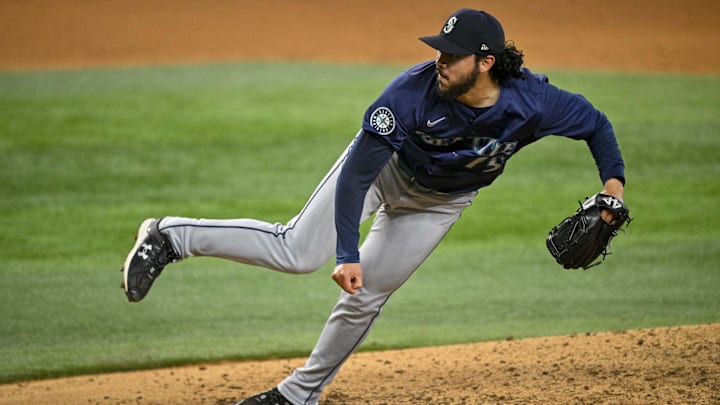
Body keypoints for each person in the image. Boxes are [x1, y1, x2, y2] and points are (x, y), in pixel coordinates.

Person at [121, 8, 626, 405]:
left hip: (440, 203)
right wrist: (347, 252)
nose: (440, 61)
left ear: (486, 62)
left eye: (452, 55)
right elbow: (357, 175)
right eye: (439, 51)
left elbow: (597, 124)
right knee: (297, 251)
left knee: (368, 296)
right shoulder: (407, 96)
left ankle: (300, 395)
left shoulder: (534, 101)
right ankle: (170, 237)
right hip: (383, 175)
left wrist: (612, 194)